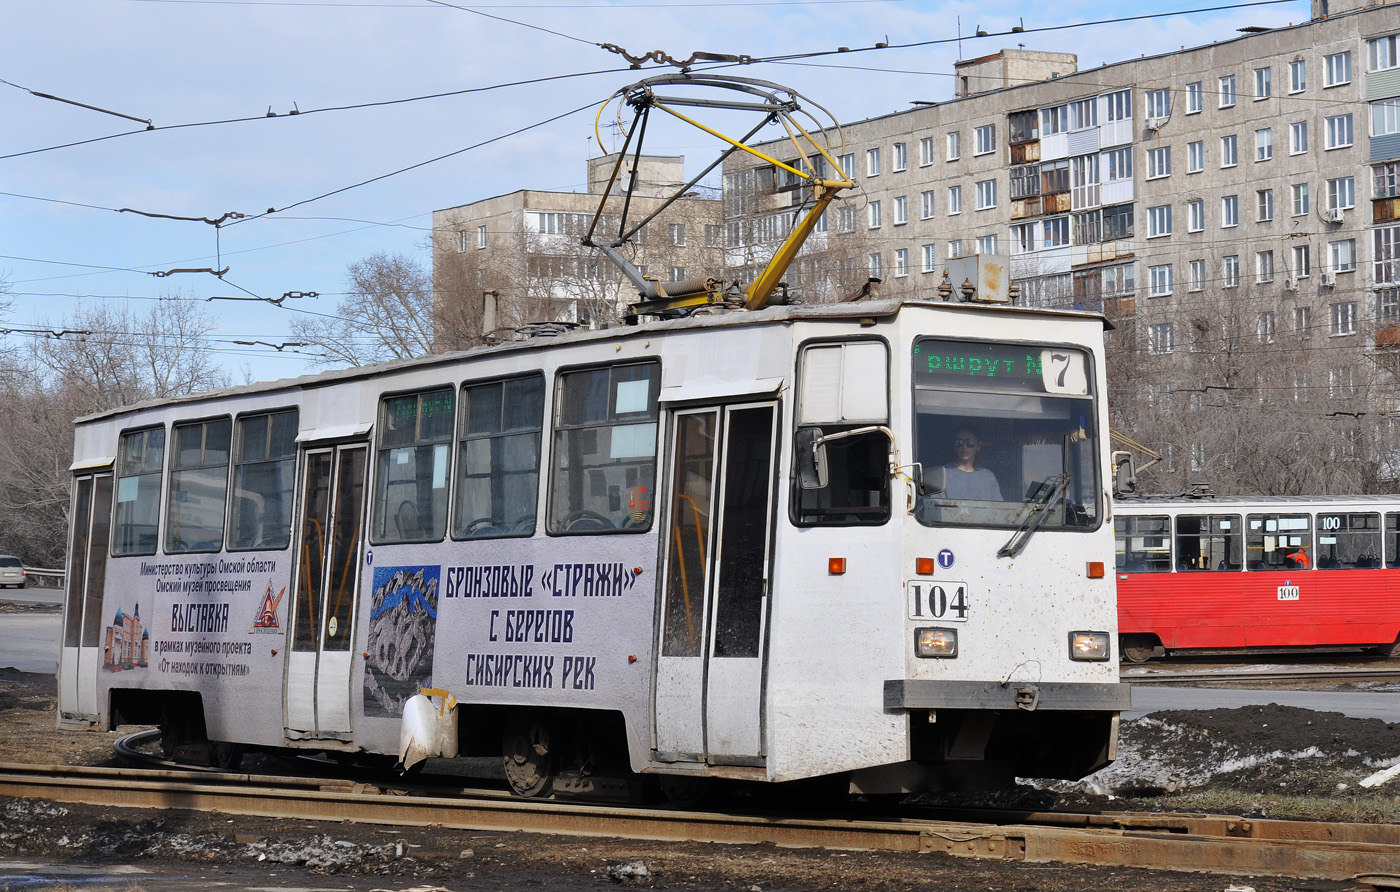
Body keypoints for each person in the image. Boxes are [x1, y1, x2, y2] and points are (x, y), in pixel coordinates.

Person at [943, 428, 1004, 501]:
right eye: (959, 442)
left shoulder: (988, 477)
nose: (964, 447)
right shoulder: (942, 475)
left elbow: (997, 508)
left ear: (978, 446)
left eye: (970, 442)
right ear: (954, 446)